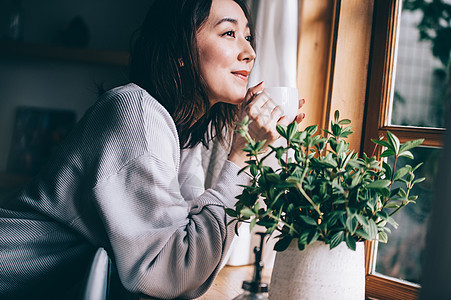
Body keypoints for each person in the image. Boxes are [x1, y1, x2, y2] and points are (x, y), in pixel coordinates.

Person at [0, 0, 304, 299]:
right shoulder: (137, 114)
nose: (249, 53)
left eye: (248, 37)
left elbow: (194, 260)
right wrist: (242, 154)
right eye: (229, 33)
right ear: (180, 49)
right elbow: (172, 271)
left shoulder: (182, 135)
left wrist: (249, 145)